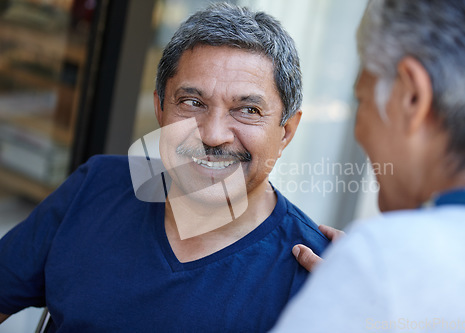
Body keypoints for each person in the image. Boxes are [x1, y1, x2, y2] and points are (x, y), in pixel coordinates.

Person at [0, 3, 329, 332]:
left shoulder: (318, 276)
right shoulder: (97, 186)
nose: (213, 135)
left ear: (286, 131)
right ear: (159, 109)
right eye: (192, 103)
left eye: (248, 109)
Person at [275, 0, 465, 331]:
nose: (358, 129)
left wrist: (360, 292)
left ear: (412, 97)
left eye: (361, 99)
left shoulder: (383, 264)